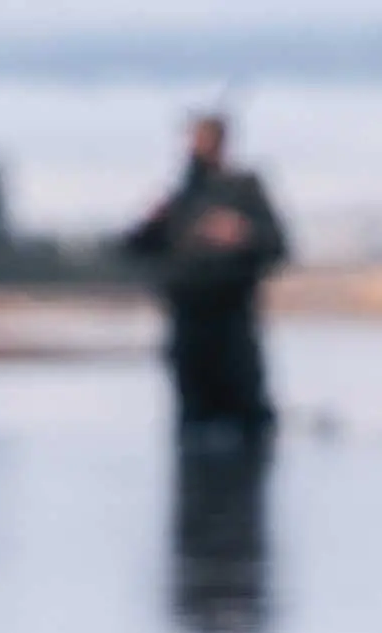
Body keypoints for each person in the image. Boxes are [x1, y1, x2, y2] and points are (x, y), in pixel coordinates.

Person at [124, 113, 289, 439]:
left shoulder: (244, 189)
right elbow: (134, 247)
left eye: (205, 140)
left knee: (245, 413)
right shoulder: (179, 199)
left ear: (222, 144)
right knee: (193, 417)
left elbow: (278, 246)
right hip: (186, 320)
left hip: (232, 319)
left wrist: (243, 234)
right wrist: (151, 223)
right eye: (194, 140)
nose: (197, 147)